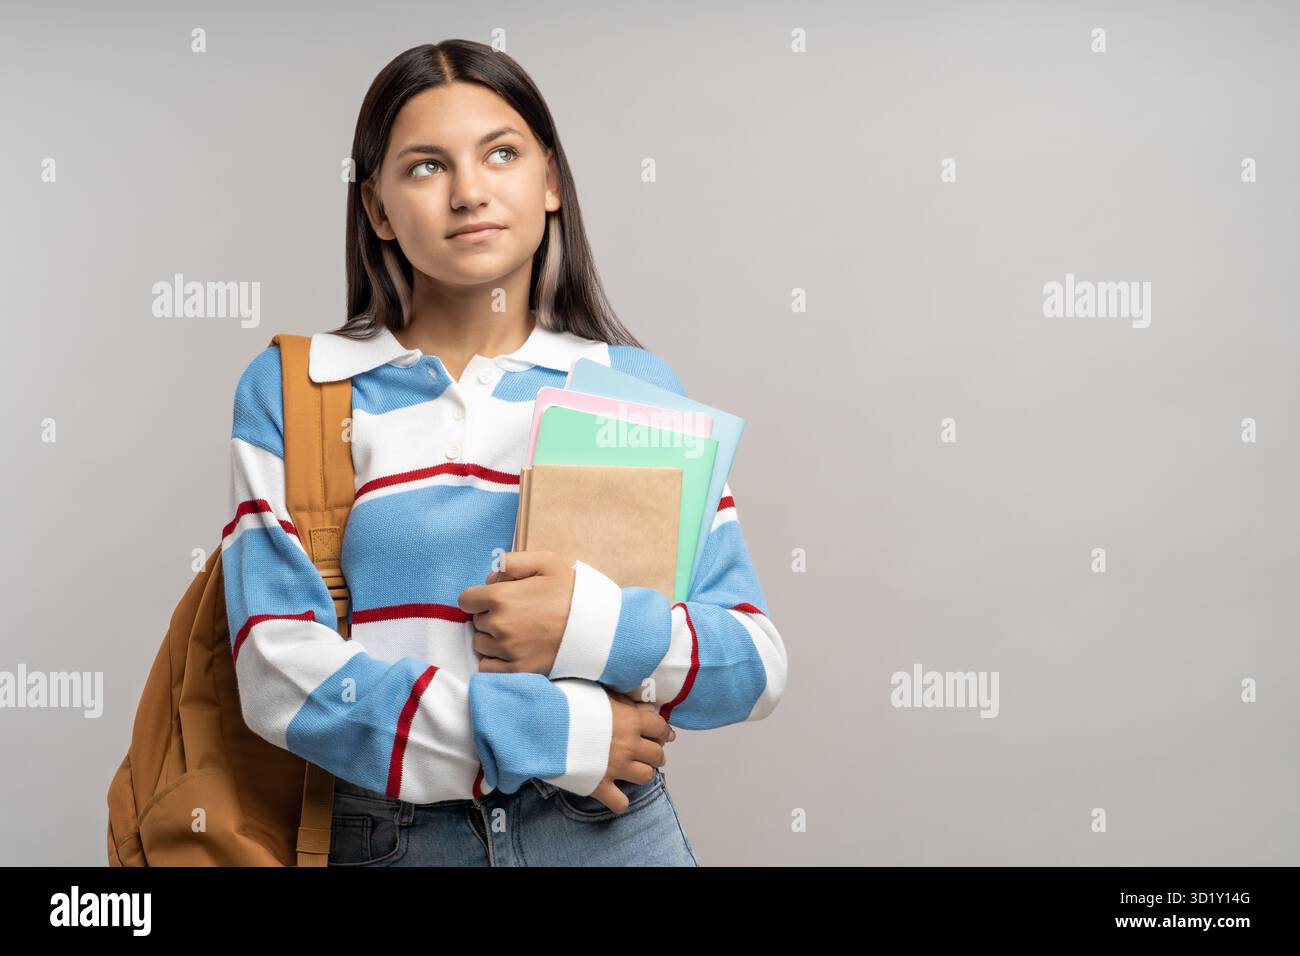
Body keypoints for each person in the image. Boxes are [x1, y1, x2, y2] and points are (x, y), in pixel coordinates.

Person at [221, 39, 787, 867]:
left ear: (550, 182)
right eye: (424, 167)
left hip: (608, 832)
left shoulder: (627, 388)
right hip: (393, 839)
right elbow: (277, 669)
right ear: (376, 208)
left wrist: (586, 626)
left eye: (501, 153)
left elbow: (755, 665)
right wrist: (551, 731)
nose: (469, 192)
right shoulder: (298, 389)